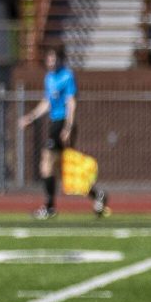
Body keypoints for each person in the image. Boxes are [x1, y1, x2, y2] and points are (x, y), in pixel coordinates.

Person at [20, 45, 108, 220]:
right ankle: (97, 195)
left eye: (54, 59)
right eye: (49, 59)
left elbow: (71, 102)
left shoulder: (67, 76)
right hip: (54, 122)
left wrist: (68, 127)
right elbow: (47, 102)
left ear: (60, 59)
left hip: (61, 124)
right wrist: (31, 117)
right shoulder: (49, 77)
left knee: (46, 164)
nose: (51, 62)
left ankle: (49, 207)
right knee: (62, 169)